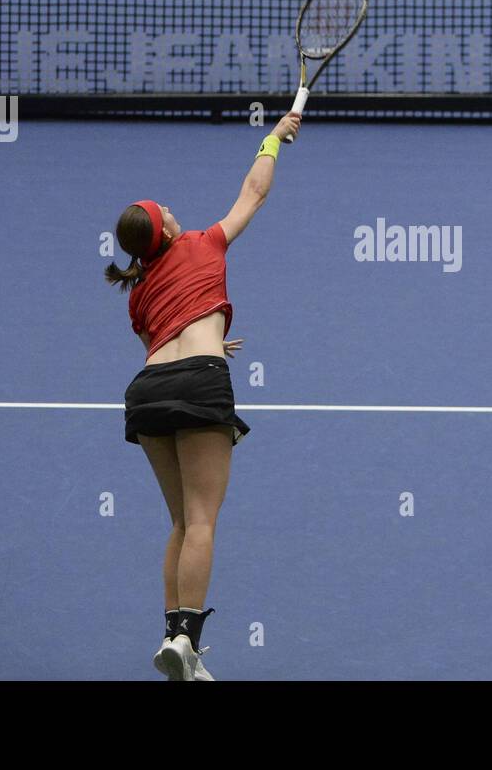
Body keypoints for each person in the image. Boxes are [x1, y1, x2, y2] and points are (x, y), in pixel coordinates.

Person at [104, 112, 301, 680]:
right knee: (204, 521)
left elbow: (161, 339)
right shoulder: (201, 242)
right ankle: (188, 640)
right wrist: (273, 139)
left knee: (180, 524)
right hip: (199, 382)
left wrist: (210, 334)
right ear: (164, 232)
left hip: (147, 393)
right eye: (160, 209)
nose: (167, 207)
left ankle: (174, 638)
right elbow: (253, 193)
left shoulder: (138, 293)